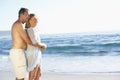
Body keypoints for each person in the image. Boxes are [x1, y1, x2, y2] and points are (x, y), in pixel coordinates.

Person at [9, 8, 32, 80]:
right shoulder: (18, 24)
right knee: (21, 78)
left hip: (18, 53)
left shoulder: (19, 25)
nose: (28, 16)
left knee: (19, 77)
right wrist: (38, 45)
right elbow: (27, 40)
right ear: (21, 15)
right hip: (18, 53)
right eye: (26, 14)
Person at [25, 13, 47, 80]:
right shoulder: (30, 29)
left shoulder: (34, 30)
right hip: (32, 53)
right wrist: (43, 45)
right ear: (29, 20)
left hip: (36, 53)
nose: (36, 21)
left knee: (38, 74)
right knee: (33, 75)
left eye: (36, 19)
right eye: (34, 19)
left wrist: (40, 47)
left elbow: (35, 42)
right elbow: (34, 42)